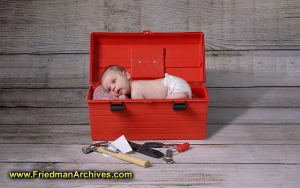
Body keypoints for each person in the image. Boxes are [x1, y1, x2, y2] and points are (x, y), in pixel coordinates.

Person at [99, 65, 192, 99]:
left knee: (169, 104)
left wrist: (126, 101)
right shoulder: (134, 87)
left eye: (114, 81)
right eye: (109, 89)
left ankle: (186, 95)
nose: (113, 88)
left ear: (126, 75)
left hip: (174, 86)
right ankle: (189, 95)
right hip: (174, 83)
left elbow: (136, 109)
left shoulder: (136, 91)